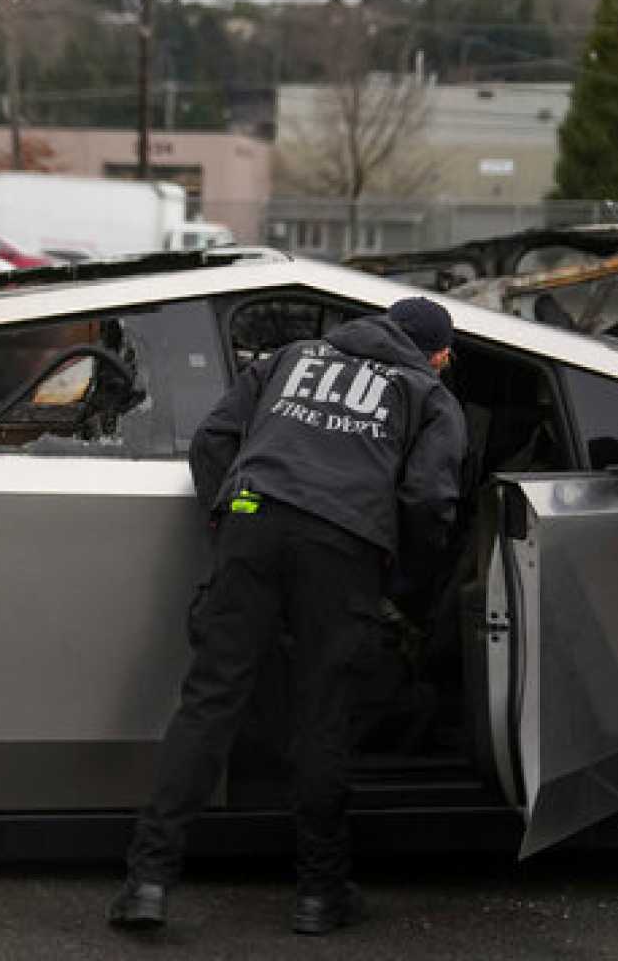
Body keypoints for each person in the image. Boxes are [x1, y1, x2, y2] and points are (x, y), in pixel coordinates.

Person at [107, 296, 466, 936]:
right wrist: (405, 580)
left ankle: (148, 884)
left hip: (254, 516)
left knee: (209, 702)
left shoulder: (290, 358)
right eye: (446, 356)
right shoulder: (428, 395)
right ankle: (318, 895)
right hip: (344, 546)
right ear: (436, 355)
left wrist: (231, 521)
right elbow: (430, 499)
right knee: (322, 714)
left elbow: (214, 438)